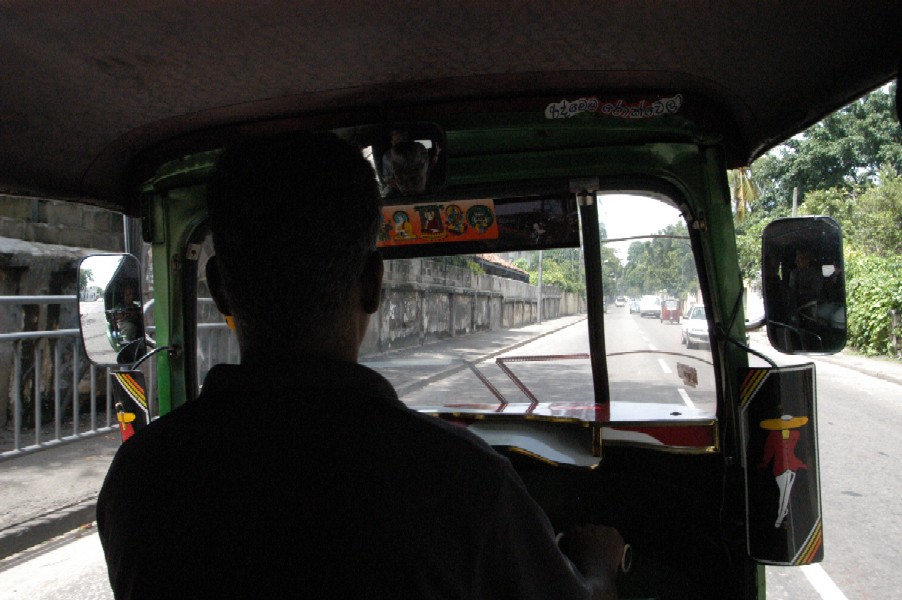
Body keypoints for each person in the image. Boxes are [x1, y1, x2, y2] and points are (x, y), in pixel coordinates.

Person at [97, 131, 624, 599]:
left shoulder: (140, 480)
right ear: (373, 284)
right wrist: (598, 563)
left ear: (219, 291)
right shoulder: (463, 482)